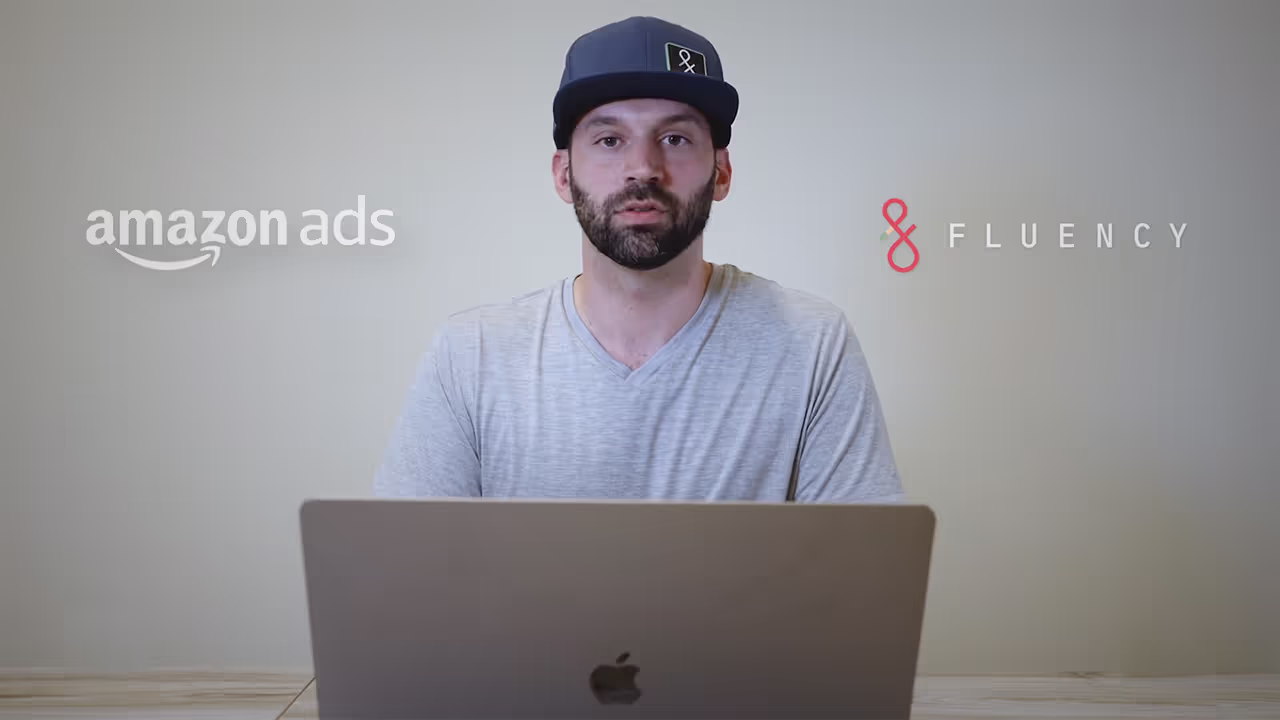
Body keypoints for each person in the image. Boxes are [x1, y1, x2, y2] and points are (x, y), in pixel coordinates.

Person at [373, 16, 904, 503]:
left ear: (720, 172)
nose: (643, 168)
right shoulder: (472, 356)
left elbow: (860, 587)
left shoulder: (811, 345)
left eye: (674, 138)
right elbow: (404, 580)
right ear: (563, 175)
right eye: (609, 139)